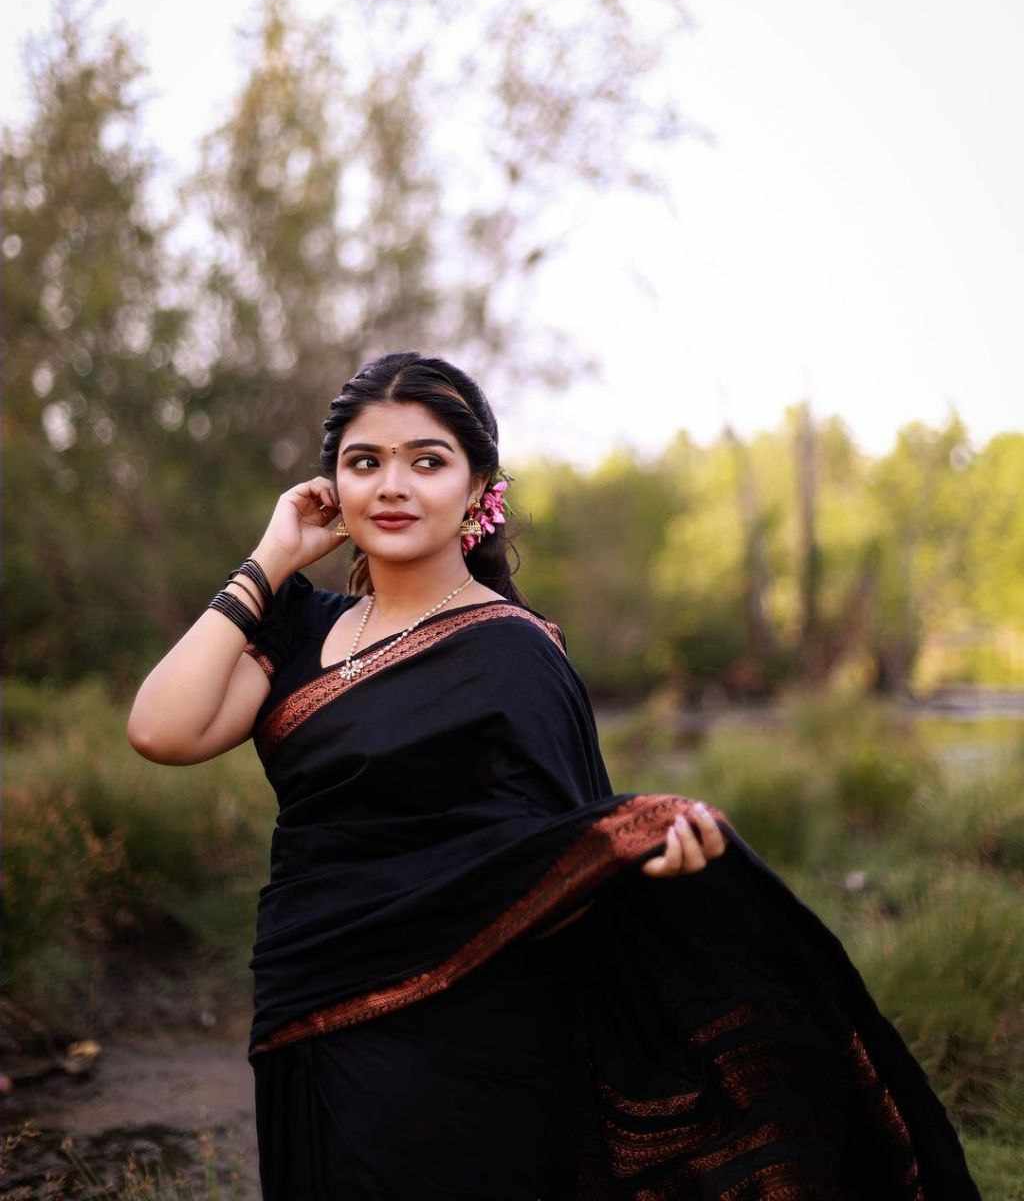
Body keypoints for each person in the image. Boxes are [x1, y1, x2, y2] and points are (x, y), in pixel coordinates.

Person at [127, 352, 980, 1200]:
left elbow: (553, 850)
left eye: (427, 462)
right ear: (331, 487)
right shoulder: (300, 625)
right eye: (365, 462)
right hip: (302, 998)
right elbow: (162, 729)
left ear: (477, 488)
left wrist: (649, 850)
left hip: (456, 1034)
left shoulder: (513, 651)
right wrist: (270, 558)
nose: (392, 486)